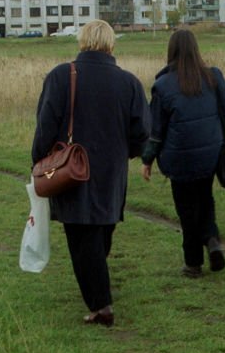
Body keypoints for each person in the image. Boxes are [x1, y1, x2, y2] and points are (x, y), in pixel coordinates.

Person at [31, 20, 150, 327]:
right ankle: (99, 290)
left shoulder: (61, 76)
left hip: (71, 170)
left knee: (82, 237)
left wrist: (39, 161)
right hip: (112, 171)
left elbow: (45, 124)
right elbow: (142, 133)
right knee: (99, 231)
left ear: (81, 41)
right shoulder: (129, 83)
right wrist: (127, 154)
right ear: (112, 44)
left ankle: (101, 306)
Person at [141, 30, 225, 278]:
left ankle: (193, 263)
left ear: (171, 51)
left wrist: (147, 160)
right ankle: (212, 240)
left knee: (186, 209)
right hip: (210, 153)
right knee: (205, 199)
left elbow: (156, 130)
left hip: (178, 158)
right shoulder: (213, 77)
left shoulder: (162, 86)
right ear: (196, 49)